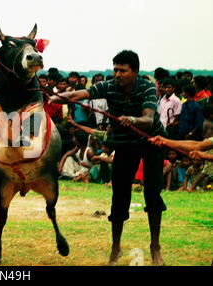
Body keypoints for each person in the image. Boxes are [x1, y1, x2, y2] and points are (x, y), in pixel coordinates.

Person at [50, 50, 167, 266]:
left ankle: (155, 248)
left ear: (135, 72)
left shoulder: (147, 86)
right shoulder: (108, 86)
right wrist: (52, 97)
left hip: (151, 143)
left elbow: (148, 119)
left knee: (152, 195)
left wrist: (131, 119)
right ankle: (116, 248)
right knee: (119, 197)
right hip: (124, 145)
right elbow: (78, 95)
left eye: (122, 70)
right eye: (115, 69)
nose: (117, 74)